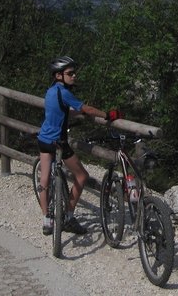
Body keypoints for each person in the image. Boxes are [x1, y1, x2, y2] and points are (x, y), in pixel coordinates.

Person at [37, 55, 121, 235]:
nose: (74, 76)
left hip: (44, 139)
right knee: (82, 176)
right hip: (59, 142)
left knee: (44, 179)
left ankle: (47, 221)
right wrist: (108, 115)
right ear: (59, 75)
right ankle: (68, 216)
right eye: (70, 73)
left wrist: (71, 114)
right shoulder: (65, 92)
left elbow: (61, 109)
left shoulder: (50, 91)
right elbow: (87, 109)